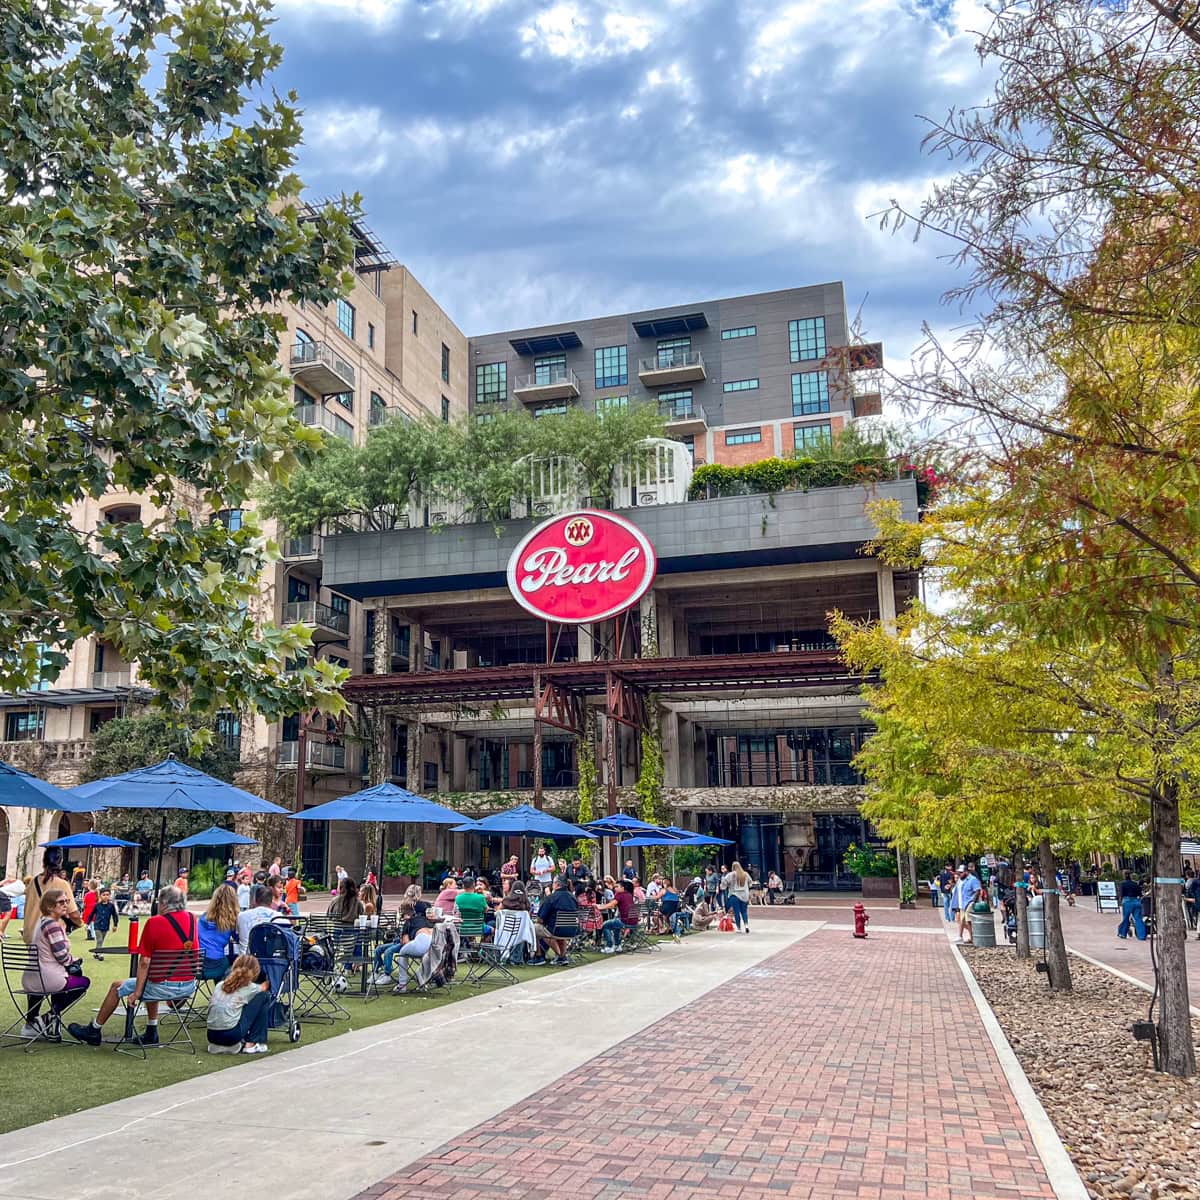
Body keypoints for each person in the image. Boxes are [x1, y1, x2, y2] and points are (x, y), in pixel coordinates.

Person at [69, 885, 196, 1048]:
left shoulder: (155, 923)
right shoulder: (192, 919)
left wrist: (136, 993)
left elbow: (144, 962)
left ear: (163, 903)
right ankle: (152, 1029)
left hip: (162, 986)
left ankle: (94, 1029)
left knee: (117, 986)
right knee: (150, 979)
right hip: (187, 987)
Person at [22, 888, 90, 1038]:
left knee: (68, 976)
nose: (65, 905)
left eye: (67, 901)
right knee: (82, 982)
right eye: (61, 902)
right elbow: (62, 956)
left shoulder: (41, 922)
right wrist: (74, 959)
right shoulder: (52, 925)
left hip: (32, 977)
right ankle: (48, 1018)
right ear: (49, 906)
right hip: (48, 978)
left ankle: (35, 1022)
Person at [206, 953, 273, 1056]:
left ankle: (223, 1044)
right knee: (264, 996)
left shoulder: (220, 985)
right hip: (231, 1034)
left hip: (211, 1034)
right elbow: (265, 987)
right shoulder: (251, 987)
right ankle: (252, 1043)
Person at [371, 899, 434, 992]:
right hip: (433, 945)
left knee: (402, 953)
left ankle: (402, 984)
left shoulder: (410, 921)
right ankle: (422, 980)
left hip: (420, 941)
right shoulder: (431, 921)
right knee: (424, 956)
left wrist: (411, 945)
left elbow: (405, 942)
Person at [23, 849, 82, 944]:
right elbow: (73, 913)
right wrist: (79, 923)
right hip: (51, 935)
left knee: (35, 958)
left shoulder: (33, 882)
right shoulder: (62, 884)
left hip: (31, 932)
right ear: (60, 862)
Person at [533, 876, 578, 965]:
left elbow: (540, 919)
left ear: (557, 884)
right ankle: (562, 956)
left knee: (535, 928)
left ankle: (539, 957)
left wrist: (539, 921)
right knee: (558, 929)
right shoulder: (573, 897)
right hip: (572, 930)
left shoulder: (551, 898)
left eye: (553, 883)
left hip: (555, 930)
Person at [198, 886, 239, 981]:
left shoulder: (203, 918)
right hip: (217, 964)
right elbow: (239, 939)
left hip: (197, 965)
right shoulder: (232, 921)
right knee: (232, 963)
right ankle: (222, 992)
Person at [236, 884, 291, 954]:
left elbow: (238, 936)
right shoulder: (280, 918)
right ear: (271, 902)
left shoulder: (242, 916)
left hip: (247, 959)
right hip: (273, 960)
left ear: (255, 901)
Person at [598, 879, 639, 953]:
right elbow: (613, 905)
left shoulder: (620, 895)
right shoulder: (629, 894)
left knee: (605, 925)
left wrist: (599, 907)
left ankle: (609, 946)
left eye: (617, 886)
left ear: (622, 888)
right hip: (634, 921)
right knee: (615, 925)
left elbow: (611, 905)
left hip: (625, 921)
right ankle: (617, 945)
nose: (615, 888)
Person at [951, 866, 982, 944]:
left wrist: (973, 902)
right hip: (962, 903)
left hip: (969, 902)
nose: (960, 874)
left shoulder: (973, 880)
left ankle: (973, 938)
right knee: (961, 920)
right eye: (959, 873)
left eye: (961, 872)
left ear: (966, 872)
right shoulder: (960, 880)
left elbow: (977, 890)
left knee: (968, 921)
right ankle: (960, 936)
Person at [91, 887, 120, 960]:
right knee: (99, 939)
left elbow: (115, 916)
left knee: (101, 940)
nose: (106, 896)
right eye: (104, 895)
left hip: (105, 926)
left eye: (107, 895)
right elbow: (91, 915)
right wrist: (87, 924)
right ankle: (100, 954)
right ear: (100, 896)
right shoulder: (97, 905)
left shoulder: (111, 906)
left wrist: (115, 925)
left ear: (110, 895)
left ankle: (96, 952)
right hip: (97, 925)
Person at [1117, 870, 1147, 941]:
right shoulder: (1135, 884)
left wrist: (1120, 902)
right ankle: (1142, 935)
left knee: (1126, 918)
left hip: (1127, 902)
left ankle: (1122, 933)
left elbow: (1121, 894)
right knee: (1138, 918)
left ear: (1124, 876)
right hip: (1136, 901)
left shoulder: (1122, 884)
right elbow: (1140, 894)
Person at [723, 862, 752, 933]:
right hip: (744, 895)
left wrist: (726, 886)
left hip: (734, 895)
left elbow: (724, 883)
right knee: (744, 911)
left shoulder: (731, 874)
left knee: (736, 912)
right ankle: (746, 925)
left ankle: (739, 928)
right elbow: (750, 883)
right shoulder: (745, 874)